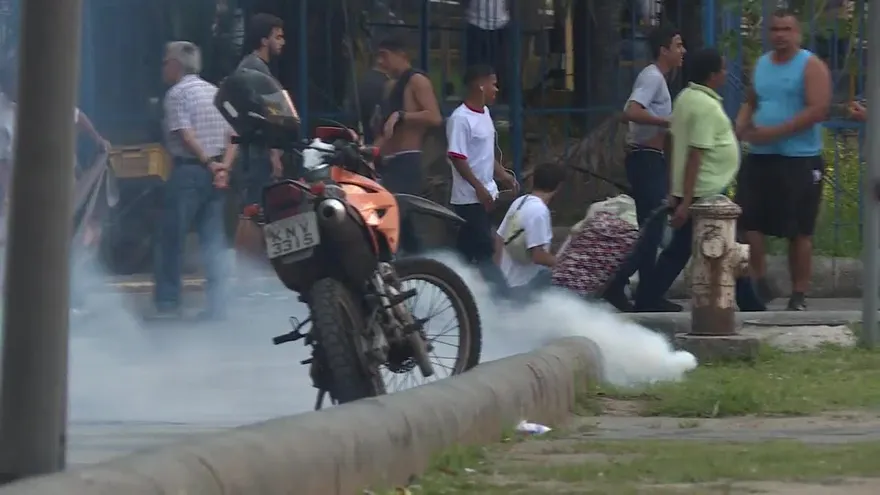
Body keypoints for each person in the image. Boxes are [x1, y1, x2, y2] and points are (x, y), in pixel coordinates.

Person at [636, 48, 765, 312]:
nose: (725, 73)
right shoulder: (705, 106)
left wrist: (675, 188)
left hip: (697, 189)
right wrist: (685, 201)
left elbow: (672, 141)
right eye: (723, 69)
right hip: (705, 190)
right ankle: (647, 298)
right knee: (715, 244)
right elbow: (696, 153)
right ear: (712, 75)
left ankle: (648, 297)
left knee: (704, 245)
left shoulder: (685, 98)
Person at [735, 9, 832, 311]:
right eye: (775, 29)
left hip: (799, 159)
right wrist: (741, 125)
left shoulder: (810, 66)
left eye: (786, 29)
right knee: (747, 222)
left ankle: (799, 293)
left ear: (797, 33)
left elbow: (818, 110)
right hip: (760, 157)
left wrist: (774, 132)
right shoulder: (762, 64)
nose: (780, 35)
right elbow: (752, 100)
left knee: (799, 230)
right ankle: (759, 282)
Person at [153, 41, 237, 320]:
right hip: (216, 175)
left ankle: (168, 302)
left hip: (190, 171)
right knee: (213, 240)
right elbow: (234, 135)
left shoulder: (177, 94)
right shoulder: (214, 92)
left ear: (176, 65)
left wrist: (208, 163)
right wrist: (224, 167)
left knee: (171, 237)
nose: (163, 68)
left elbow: (185, 135)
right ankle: (218, 305)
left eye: (165, 62)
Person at [607, 25, 685, 312]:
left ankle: (647, 296)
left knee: (651, 229)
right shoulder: (652, 76)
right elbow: (631, 111)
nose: (683, 51)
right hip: (645, 159)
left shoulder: (659, 79)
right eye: (678, 45)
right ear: (663, 50)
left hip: (652, 158)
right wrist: (667, 122)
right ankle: (617, 283)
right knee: (651, 230)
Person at [446, 64, 517, 287]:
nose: (496, 89)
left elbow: (484, 154)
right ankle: (503, 297)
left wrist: (503, 175)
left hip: (486, 193)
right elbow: (458, 158)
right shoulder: (460, 118)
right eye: (493, 84)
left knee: (466, 252)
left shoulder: (485, 113)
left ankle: (453, 287)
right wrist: (478, 187)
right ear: (480, 85)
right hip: (469, 198)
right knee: (485, 250)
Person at [373, 34, 443, 255]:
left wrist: (403, 115)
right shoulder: (390, 86)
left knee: (396, 217)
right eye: (378, 57)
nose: (381, 62)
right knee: (398, 225)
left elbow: (434, 117)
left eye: (385, 55)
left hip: (408, 160)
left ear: (401, 55)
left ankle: (419, 262)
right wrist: (371, 151)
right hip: (388, 161)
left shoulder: (417, 81)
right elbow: (387, 129)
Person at [496, 161, 565, 296]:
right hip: (523, 285)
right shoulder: (540, 211)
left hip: (505, 279)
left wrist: (498, 275)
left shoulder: (520, 202)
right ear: (558, 187)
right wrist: (562, 263)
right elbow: (538, 256)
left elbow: (499, 238)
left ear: (533, 180)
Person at [237, 13, 286, 202]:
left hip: (256, 151)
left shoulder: (253, 66)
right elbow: (271, 114)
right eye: (278, 37)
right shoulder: (255, 69)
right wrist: (274, 154)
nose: (282, 42)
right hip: (257, 153)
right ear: (264, 40)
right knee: (258, 207)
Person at [463, 0, 509, 101]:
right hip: (476, 22)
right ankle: (475, 97)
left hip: (500, 24)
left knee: (500, 66)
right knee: (475, 67)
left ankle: (497, 98)